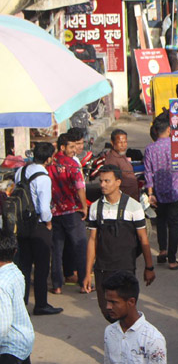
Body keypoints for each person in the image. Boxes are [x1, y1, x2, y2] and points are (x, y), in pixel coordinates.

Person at [83, 165, 155, 322]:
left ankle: (125, 343)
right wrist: (88, 273)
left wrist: (149, 267)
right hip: (103, 269)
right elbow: (92, 240)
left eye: (107, 181)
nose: (102, 185)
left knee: (124, 310)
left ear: (118, 182)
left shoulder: (134, 207)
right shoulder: (95, 207)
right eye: (101, 181)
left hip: (125, 268)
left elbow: (143, 240)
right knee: (107, 310)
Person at [14, 142, 61, 315]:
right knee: (41, 267)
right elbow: (44, 208)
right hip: (38, 225)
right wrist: (48, 223)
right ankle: (41, 304)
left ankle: (22, 302)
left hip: (22, 223)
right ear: (49, 159)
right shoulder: (43, 177)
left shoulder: (21, 171)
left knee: (24, 265)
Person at [145, 113, 178, 270]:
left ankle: (162, 250)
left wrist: (150, 193)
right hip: (175, 191)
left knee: (161, 222)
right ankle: (172, 259)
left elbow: (148, 173)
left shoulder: (150, 149)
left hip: (158, 192)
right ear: (169, 129)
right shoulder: (176, 146)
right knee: (174, 225)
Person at [102, 271, 167, 364]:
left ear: (131, 302)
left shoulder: (153, 339)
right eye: (107, 301)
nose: (108, 307)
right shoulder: (110, 332)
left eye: (113, 302)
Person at [48, 133, 88, 294]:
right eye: (71, 147)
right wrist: (84, 206)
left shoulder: (49, 164)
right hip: (72, 211)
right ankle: (84, 283)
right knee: (80, 247)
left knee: (57, 251)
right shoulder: (72, 164)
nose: (74, 150)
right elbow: (80, 186)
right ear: (62, 147)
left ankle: (57, 285)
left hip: (55, 212)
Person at [0, 234, 35, 364]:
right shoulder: (15, 271)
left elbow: (3, 324)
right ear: (14, 252)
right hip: (23, 340)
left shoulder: (1, 284)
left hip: (10, 347)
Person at [103, 129, 139, 199]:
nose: (123, 145)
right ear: (112, 143)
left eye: (125, 142)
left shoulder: (121, 155)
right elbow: (111, 184)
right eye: (120, 142)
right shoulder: (111, 160)